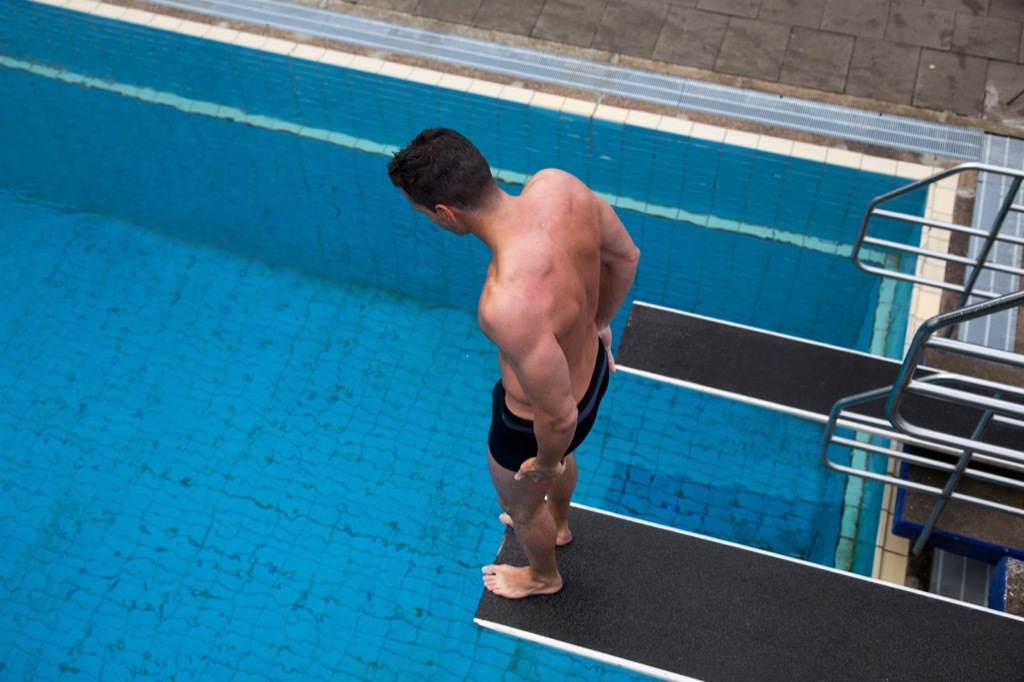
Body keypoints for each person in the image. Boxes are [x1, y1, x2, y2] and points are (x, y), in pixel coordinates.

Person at [387, 128, 640, 599]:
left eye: (425, 214)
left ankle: (544, 575)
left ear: (446, 213)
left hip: (537, 423)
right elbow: (626, 257)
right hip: (595, 373)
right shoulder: (559, 186)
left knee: (523, 507)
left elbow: (558, 415)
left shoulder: (507, 302)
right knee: (564, 459)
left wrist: (543, 463)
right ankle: (560, 525)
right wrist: (600, 321)